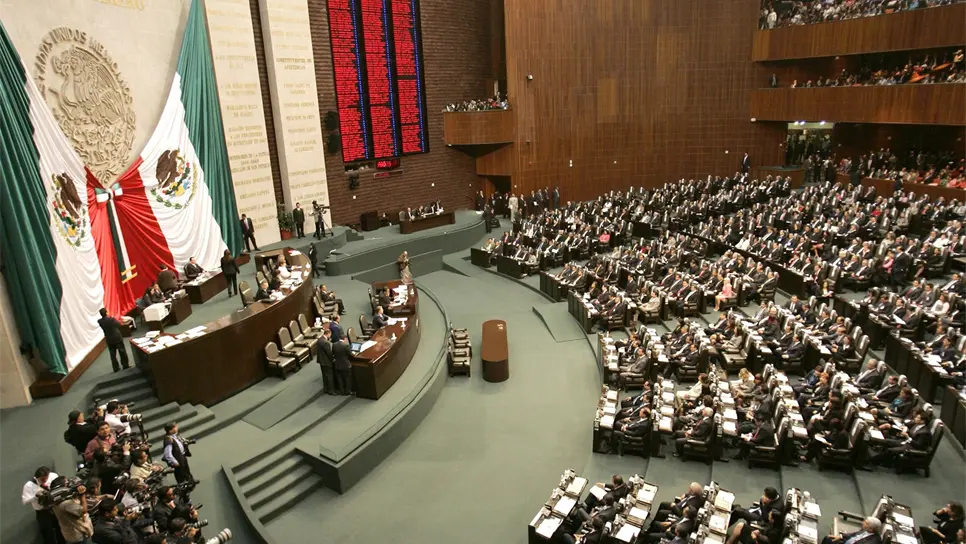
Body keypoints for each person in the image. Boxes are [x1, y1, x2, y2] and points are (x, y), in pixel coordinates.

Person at [22, 466, 61, 544]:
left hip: (55, 508)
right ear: (37, 477)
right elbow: (24, 501)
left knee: (60, 529)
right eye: (42, 479)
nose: (45, 481)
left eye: (46, 478)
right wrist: (35, 496)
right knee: (48, 534)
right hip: (43, 512)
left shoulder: (53, 476)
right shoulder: (29, 486)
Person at [50, 477, 93, 544]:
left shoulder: (55, 501)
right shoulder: (66, 503)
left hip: (71, 535)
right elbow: (84, 510)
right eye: (68, 483)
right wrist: (82, 495)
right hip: (79, 536)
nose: (71, 484)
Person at [317, 328, 335, 395]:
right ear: (328, 333)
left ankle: (326, 389)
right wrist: (333, 359)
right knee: (330, 376)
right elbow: (329, 353)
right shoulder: (326, 343)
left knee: (324, 375)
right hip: (327, 362)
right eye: (330, 335)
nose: (330, 336)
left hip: (321, 361)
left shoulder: (320, 339)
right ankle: (331, 391)